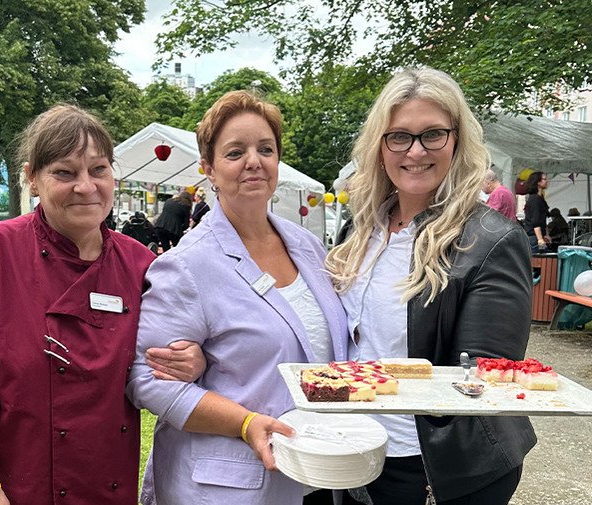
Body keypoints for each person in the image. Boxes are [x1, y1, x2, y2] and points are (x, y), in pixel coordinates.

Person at [0, 104, 203, 505]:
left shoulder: (142, 265)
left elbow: (169, 357)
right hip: (19, 489)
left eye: (98, 170)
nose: (86, 186)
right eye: (64, 172)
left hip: (109, 485)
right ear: (32, 179)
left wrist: (192, 360)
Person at [127, 90, 350, 505]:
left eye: (265, 149)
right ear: (208, 169)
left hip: (316, 474)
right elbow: (145, 380)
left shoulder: (307, 247)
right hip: (231, 485)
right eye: (235, 152)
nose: (254, 161)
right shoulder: (188, 265)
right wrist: (244, 423)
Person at [326, 67, 535, 505]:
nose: (415, 151)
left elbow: (485, 376)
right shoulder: (360, 229)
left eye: (432, 135)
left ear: (457, 140)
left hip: (434, 466)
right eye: (399, 136)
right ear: (379, 146)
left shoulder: (491, 239)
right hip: (354, 451)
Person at [523, 171, 550, 253]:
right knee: (537, 262)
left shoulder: (537, 198)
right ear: (538, 182)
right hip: (535, 238)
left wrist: (545, 234)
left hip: (536, 237)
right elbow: (535, 221)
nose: (546, 181)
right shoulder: (535, 199)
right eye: (544, 179)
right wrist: (540, 239)